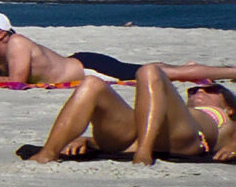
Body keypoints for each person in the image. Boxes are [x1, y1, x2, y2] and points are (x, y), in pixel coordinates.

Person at [0, 12, 236, 88]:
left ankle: (230, 70)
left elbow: (17, 83)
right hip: (80, 65)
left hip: (89, 68)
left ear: (0, 34)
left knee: (168, 74)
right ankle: (187, 66)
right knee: (157, 69)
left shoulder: (18, 43)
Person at [26, 67, 235, 164]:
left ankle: (143, 153)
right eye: (193, 91)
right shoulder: (174, 108)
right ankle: (48, 152)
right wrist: (90, 140)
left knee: (149, 71)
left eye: (212, 90)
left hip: (188, 137)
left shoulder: (228, 118)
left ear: (230, 107)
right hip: (141, 135)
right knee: (92, 84)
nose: (199, 91)